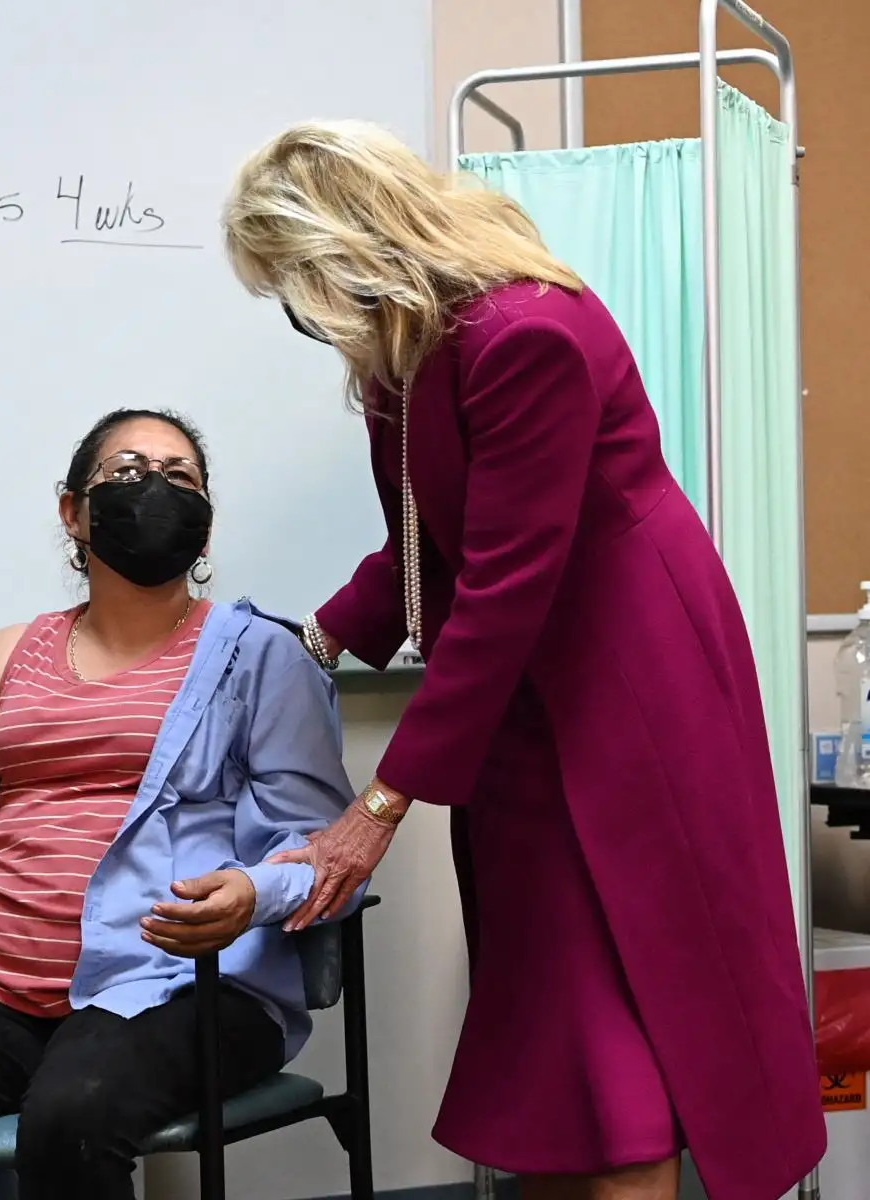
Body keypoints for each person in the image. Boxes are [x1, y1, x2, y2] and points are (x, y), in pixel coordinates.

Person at [221, 122, 824, 1200]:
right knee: (550, 1005)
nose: (299, 315)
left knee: (624, 984)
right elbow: (423, 542)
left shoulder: (522, 333)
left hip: (626, 678)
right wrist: (299, 644)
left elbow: (503, 581)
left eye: (293, 284)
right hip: (526, 692)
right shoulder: (405, 359)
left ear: (345, 250)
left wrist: (383, 803)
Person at [0, 408, 357, 1200]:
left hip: (182, 988)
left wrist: (255, 891)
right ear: (73, 513)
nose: (154, 487)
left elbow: (324, 848)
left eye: (180, 476)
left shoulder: (261, 657)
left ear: (206, 528)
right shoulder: (8, 654)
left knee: (71, 1121)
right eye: (125, 472)